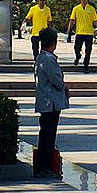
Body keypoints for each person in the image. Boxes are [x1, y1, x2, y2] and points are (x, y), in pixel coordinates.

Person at [32, 27, 68, 176]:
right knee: (48, 135)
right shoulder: (47, 59)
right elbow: (56, 81)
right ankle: (44, 167)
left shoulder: (41, 57)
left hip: (46, 100)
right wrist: (64, 85)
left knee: (46, 134)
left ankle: (44, 166)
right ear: (53, 43)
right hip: (50, 102)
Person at [69, 0, 97, 69]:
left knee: (88, 50)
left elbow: (95, 20)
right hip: (79, 32)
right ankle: (78, 56)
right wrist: (69, 29)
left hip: (89, 32)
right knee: (76, 48)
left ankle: (86, 64)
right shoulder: (76, 9)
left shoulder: (91, 9)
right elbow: (72, 20)